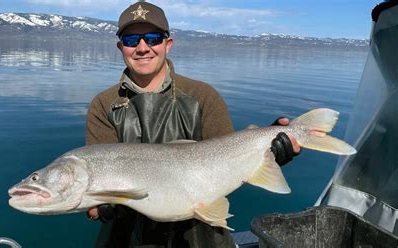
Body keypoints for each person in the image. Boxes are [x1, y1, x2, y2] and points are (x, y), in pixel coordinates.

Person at [85, 1, 300, 247]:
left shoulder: (203, 95)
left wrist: (266, 152)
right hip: (126, 236)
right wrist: (102, 206)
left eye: (153, 38)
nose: (143, 48)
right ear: (121, 47)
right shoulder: (103, 105)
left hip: (200, 235)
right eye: (132, 40)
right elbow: (98, 183)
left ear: (168, 44)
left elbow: (229, 162)